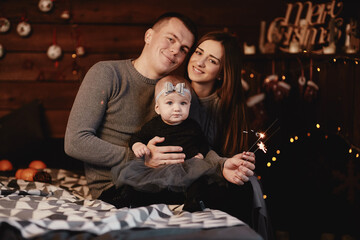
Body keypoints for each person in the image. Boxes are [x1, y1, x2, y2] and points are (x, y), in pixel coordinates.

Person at [64, 11, 255, 210]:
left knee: (240, 189)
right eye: (170, 39)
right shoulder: (108, 73)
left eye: (183, 49)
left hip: (171, 182)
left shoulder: (180, 92)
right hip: (120, 186)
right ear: (148, 36)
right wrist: (139, 157)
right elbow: (75, 141)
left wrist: (222, 165)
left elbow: (195, 143)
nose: (175, 50)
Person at [185, 30, 273, 239]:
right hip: (182, 176)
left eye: (212, 60)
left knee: (241, 190)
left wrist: (243, 161)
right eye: (198, 52)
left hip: (216, 178)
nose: (200, 62)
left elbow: (231, 152)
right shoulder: (172, 94)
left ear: (223, 71)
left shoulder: (228, 107)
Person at [117, 75, 214, 194]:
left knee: (200, 182)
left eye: (183, 103)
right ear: (158, 108)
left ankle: (194, 200)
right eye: (169, 103)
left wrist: (201, 154)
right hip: (159, 169)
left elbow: (203, 142)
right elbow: (137, 137)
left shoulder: (193, 126)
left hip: (188, 168)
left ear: (189, 105)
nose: (177, 108)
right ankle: (129, 197)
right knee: (139, 184)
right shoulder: (153, 125)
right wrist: (137, 145)